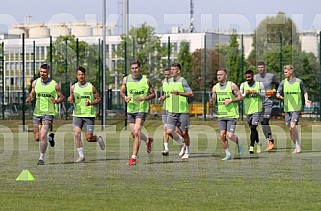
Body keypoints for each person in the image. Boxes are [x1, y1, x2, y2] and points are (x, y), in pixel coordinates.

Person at [26, 64, 64, 165]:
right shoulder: (35, 82)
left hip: (49, 112)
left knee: (42, 135)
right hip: (37, 112)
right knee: (37, 137)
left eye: (45, 72)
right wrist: (30, 98)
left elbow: (62, 97)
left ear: (48, 73)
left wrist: (56, 101)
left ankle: (41, 159)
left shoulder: (54, 84)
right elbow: (32, 93)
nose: (42, 74)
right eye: (41, 72)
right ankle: (50, 138)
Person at [120, 59, 156, 165]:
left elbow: (153, 94)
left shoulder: (146, 80)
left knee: (136, 132)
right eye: (133, 68)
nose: (135, 70)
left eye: (136, 68)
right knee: (134, 133)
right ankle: (148, 140)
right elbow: (121, 92)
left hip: (142, 109)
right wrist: (125, 97)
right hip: (130, 109)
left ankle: (133, 158)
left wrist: (145, 98)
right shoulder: (126, 80)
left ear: (140, 68)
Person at [67, 66, 105, 163]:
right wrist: (70, 99)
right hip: (77, 114)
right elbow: (71, 98)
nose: (81, 76)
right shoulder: (73, 87)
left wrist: (91, 103)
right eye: (79, 74)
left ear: (85, 75)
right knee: (76, 133)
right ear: (77, 75)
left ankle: (98, 138)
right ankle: (81, 156)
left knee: (88, 138)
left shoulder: (90, 86)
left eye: (82, 74)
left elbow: (98, 99)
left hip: (89, 115)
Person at [276, 65, 311, 154]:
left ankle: (297, 146)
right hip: (287, 108)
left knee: (292, 125)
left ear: (291, 71)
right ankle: (297, 144)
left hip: (296, 107)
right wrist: (280, 96)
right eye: (284, 72)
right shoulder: (283, 82)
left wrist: (306, 100)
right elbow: (277, 93)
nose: (285, 73)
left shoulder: (299, 82)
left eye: (286, 72)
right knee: (290, 129)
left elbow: (305, 92)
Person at [210, 68, 243, 160]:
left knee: (230, 135)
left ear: (226, 76)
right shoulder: (215, 87)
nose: (218, 76)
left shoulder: (232, 85)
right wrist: (212, 100)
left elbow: (240, 97)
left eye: (221, 74)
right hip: (221, 115)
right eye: (217, 75)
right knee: (222, 135)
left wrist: (231, 100)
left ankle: (239, 143)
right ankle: (228, 154)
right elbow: (213, 99)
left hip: (232, 115)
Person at [166, 63, 193, 159]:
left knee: (184, 132)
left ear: (178, 71)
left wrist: (179, 93)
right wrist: (163, 97)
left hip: (183, 111)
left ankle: (188, 151)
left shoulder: (182, 81)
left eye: (174, 69)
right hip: (172, 110)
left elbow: (190, 93)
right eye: (171, 69)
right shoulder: (168, 81)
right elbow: (169, 94)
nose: (172, 71)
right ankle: (182, 144)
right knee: (169, 131)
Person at [254, 62, 279, 150]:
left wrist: (273, 91)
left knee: (265, 121)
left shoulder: (271, 76)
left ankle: (270, 141)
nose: (261, 69)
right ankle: (270, 140)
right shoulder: (255, 77)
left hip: (268, 102)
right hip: (259, 103)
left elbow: (277, 85)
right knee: (263, 123)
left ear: (265, 68)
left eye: (262, 67)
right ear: (257, 68)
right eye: (259, 67)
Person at [240, 70, 266, 154]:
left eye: (249, 77)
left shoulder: (259, 84)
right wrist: (245, 94)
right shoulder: (243, 85)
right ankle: (258, 142)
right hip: (248, 110)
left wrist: (257, 92)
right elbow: (240, 97)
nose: (248, 79)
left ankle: (251, 146)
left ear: (253, 76)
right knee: (252, 128)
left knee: (254, 127)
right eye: (246, 77)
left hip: (257, 109)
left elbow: (264, 96)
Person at [158, 67, 182, 156]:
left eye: (168, 74)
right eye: (165, 75)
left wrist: (166, 96)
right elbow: (166, 93)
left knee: (175, 129)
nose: (167, 76)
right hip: (165, 108)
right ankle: (166, 148)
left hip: (173, 108)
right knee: (165, 128)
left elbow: (173, 93)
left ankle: (183, 144)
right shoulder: (164, 82)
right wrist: (163, 97)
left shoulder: (175, 82)